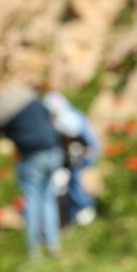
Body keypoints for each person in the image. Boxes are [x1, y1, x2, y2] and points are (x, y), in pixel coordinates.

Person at [0, 75, 63, 258]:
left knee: (31, 202)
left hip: (32, 157)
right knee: (48, 198)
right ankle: (53, 245)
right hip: (53, 150)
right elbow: (48, 114)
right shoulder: (24, 93)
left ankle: (33, 251)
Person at [37, 84, 99, 227]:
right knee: (66, 185)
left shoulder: (75, 118)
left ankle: (84, 207)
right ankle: (69, 217)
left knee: (76, 182)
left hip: (79, 156)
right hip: (66, 158)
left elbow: (89, 141)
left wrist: (88, 153)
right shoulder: (54, 121)